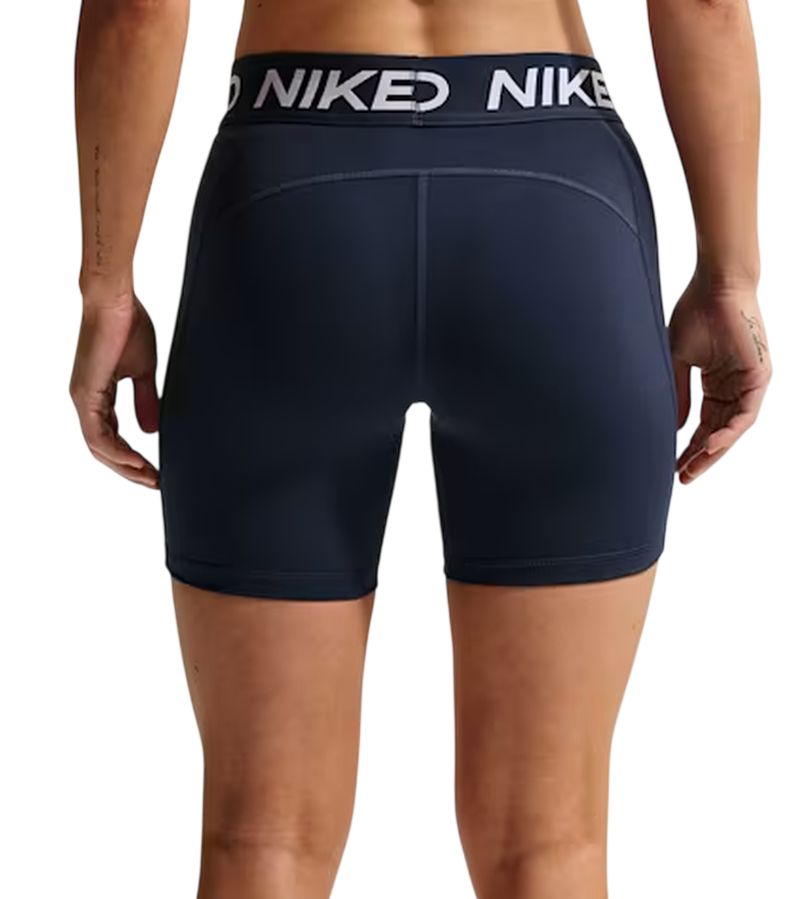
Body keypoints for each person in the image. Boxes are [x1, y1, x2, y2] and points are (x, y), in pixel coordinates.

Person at [69, 1, 771, 897]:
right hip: (554, 206)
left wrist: (105, 286)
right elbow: (705, 5)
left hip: (294, 201)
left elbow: (138, 10)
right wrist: (731, 277)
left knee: (262, 836)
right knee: (548, 841)